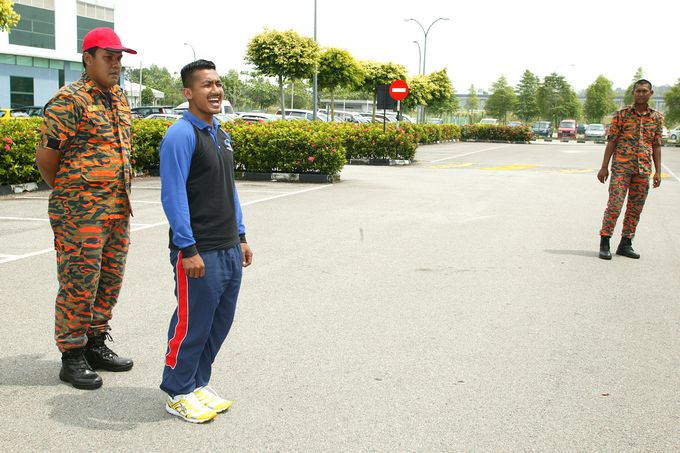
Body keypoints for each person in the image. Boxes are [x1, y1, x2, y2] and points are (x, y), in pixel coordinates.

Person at [35, 28, 136, 389]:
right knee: (79, 283)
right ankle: (72, 355)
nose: (116, 64)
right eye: (109, 57)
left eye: (119, 58)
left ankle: (95, 343)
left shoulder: (118, 98)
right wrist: (72, 194)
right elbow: (47, 158)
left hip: (117, 210)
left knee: (108, 281)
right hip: (80, 213)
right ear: (88, 58)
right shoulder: (69, 100)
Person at [159, 59, 253, 423]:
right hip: (199, 250)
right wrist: (187, 248)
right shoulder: (180, 135)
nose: (215, 90)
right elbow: (173, 196)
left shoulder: (220, 133)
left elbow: (229, 189)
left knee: (218, 322)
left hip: (227, 245)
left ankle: (197, 382)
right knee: (192, 323)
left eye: (217, 83)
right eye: (205, 85)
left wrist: (240, 236)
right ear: (188, 92)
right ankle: (177, 391)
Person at [597, 79, 664, 260]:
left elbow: (656, 146)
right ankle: (605, 242)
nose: (641, 94)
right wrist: (604, 167)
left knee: (635, 208)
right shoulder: (622, 114)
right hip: (621, 168)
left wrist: (658, 172)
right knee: (615, 205)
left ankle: (626, 244)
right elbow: (612, 141)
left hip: (643, 170)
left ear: (650, 93)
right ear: (633, 93)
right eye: (638, 91)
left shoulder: (657, 118)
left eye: (644, 91)